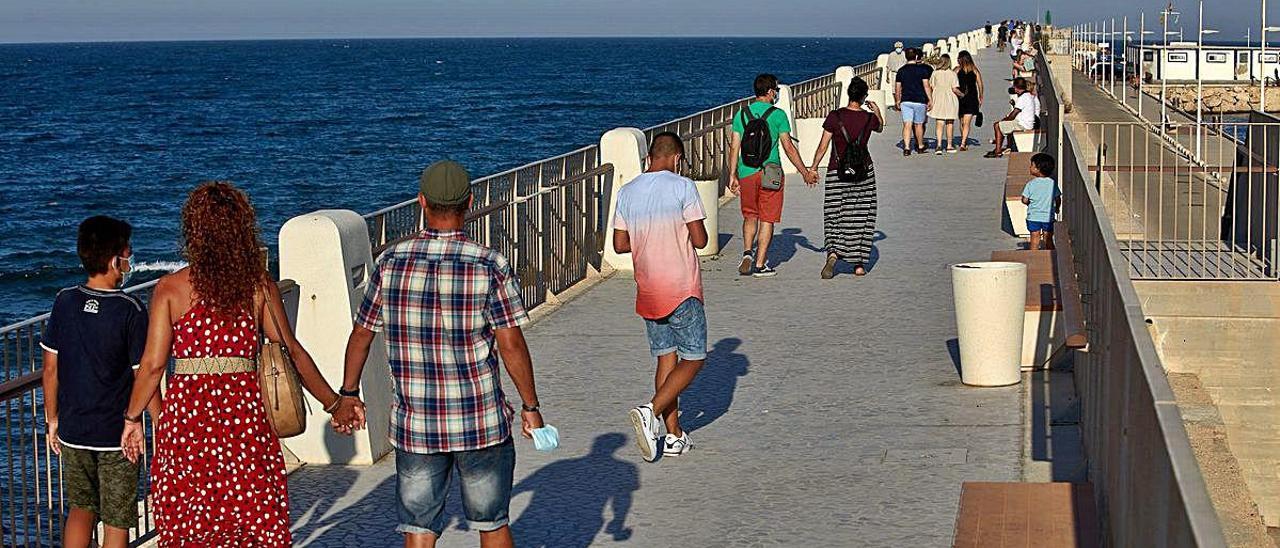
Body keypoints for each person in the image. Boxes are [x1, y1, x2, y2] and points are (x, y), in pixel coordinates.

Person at [120, 182, 354, 547]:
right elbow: (292, 350)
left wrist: (133, 419)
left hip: (187, 430)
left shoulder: (170, 289)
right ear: (241, 230)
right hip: (245, 427)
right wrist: (335, 403)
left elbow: (152, 366)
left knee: (191, 526)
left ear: (194, 232)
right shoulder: (257, 286)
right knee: (253, 522)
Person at [337, 160, 545, 548]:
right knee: (492, 523)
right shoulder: (490, 264)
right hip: (480, 421)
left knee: (418, 529)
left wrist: (348, 395)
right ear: (470, 201)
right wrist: (530, 405)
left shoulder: (390, 263)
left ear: (421, 201)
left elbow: (362, 334)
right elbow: (511, 343)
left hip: (417, 426)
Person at [40, 216, 158, 548]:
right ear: (113, 260)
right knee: (117, 520)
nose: (130, 260)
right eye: (127, 254)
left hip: (73, 430)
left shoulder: (65, 301)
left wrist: (52, 421)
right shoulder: (131, 309)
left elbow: (51, 369)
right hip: (117, 435)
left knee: (80, 509)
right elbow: (144, 373)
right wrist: (159, 425)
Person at [612, 132, 709, 461]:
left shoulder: (627, 192)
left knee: (666, 358)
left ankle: (674, 436)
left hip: (649, 288)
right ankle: (650, 410)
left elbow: (620, 245)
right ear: (677, 158)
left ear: (649, 156)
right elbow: (699, 239)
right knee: (694, 358)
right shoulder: (683, 187)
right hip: (681, 287)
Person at [728, 73, 817, 277]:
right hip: (771, 173)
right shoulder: (778, 115)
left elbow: (734, 147)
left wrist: (732, 175)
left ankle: (747, 253)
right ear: (769, 92)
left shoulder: (741, 115)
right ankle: (760, 265)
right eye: (775, 90)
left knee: (750, 215)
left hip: (746, 171)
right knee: (767, 218)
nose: (776, 93)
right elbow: (789, 148)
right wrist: (804, 172)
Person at [808, 77, 884, 278]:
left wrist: (813, 168)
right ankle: (858, 264)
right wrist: (875, 109)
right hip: (864, 172)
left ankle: (833, 253)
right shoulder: (869, 119)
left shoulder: (835, 116)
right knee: (862, 215)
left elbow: (823, 146)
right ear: (864, 96)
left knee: (834, 212)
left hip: (837, 171)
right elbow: (881, 126)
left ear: (849, 94)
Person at [985, 77, 1038, 158]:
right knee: (1003, 124)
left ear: (1016, 88)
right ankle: (1005, 147)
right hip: (1027, 123)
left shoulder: (1023, 98)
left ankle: (997, 151)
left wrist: (1003, 121)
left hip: (1023, 125)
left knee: (997, 125)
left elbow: (1013, 115)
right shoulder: (1027, 95)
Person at [894, 48, 934, 156]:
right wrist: (930, 99)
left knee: (907, 124)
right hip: (920, 100)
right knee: (918, 125)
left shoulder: (901, 71)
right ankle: (920, 146)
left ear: (905, 57)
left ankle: (907, 148)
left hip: (906, 100)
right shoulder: (922, 70)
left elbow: (897, 87)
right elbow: (926, 86)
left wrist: (897, 100)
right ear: (916, 57)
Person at [1021, 152, 1061, 250]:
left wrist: (1028, 203)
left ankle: (1034, 258)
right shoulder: (1052, 183)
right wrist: (1057, 208)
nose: (1030, 167)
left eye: (1032, 165)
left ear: (1037, 169)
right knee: (1048, 239)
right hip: (1048, 217)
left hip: (1033, 217)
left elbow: (1024, 199)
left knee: (1034, 240)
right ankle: (1052, 258)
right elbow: (1057, 198)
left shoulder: (1031, 184)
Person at [929, 54, 961, 154]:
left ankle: (938, 145)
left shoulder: (935, 73)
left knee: (939, 122)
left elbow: (932, 86)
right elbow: (954, 88)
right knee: (950, 123)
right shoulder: (952, 74)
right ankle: (949, 145)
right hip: (950, 99)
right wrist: (962, 94)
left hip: (938, 98)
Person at [955, 50, 984, 152]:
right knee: (965, 122)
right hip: (971, 98)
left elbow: (952, 83)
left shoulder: (957, 70)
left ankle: (963, 142)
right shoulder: (975, 70)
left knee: (962, 122)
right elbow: (980, 85)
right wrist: (981, 96)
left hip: (960, 98)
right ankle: (963, 142)